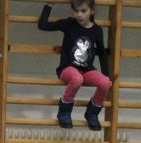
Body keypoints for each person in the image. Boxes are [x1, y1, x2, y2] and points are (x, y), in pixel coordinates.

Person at [38, 0, 111, 130]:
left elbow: (101, 53)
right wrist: (49, 6)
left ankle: (92, 113)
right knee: (77, 79)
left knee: (105, 83)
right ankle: (64, 111)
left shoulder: (97, 30)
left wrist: (107, 75)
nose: (79, 15)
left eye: (83, 11)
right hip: (67, 69)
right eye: (76, 11)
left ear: (92, 11)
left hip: (87, 71)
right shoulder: (69, 24)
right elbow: (43, 25)